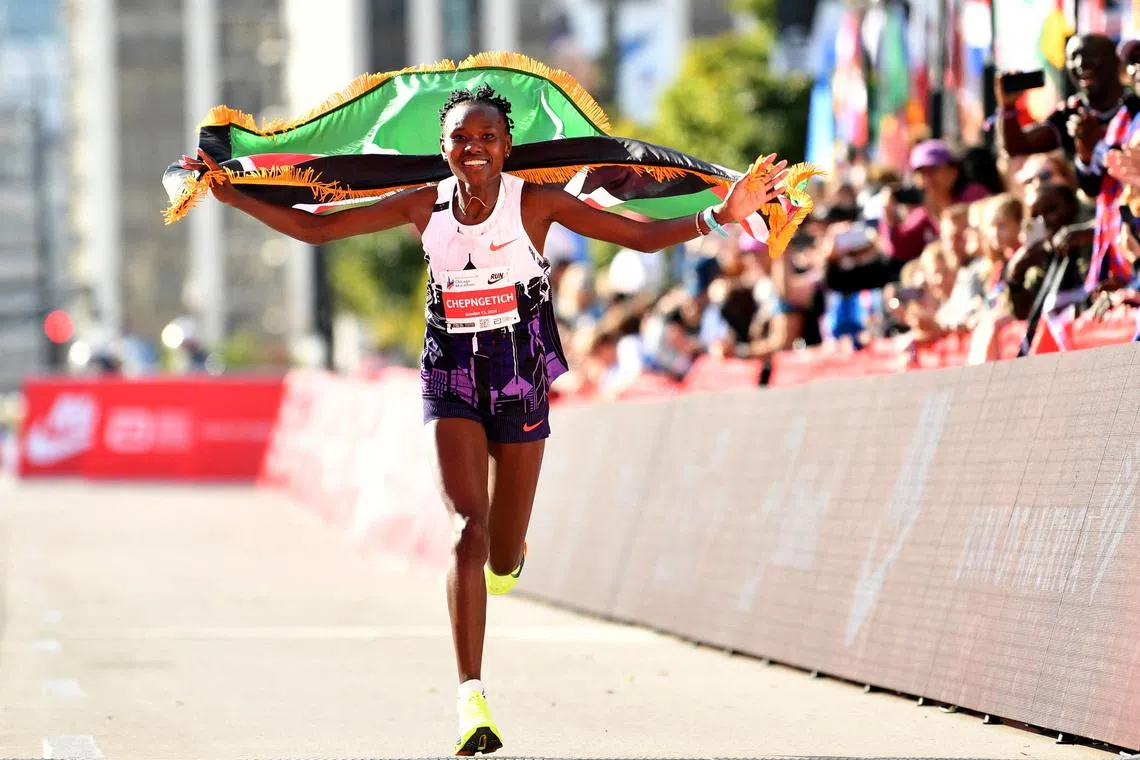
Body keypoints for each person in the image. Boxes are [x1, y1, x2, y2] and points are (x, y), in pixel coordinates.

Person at [187, 84, 788, 756]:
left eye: (486, 139)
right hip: (451, 369)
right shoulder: (425, 203)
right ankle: (470, 696)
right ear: (443, 149)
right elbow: (321, 227)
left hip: (519, 367)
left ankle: (509, 555)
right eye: (460, 139)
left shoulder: (537, 202)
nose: (473, 149)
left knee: (502, 554)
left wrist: (722, 216)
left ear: (506, 148)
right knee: (467, 527)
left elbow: (639, 238)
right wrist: (233, 195)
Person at [996, 33, 1140, 163]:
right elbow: (1017, 147)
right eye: (1073, 57)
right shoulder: (1070, 114)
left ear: (1115, 61)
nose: (1080, 63)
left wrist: (1096, 146)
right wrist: (1007, 108)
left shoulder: (1136, 107)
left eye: (1090, 54)